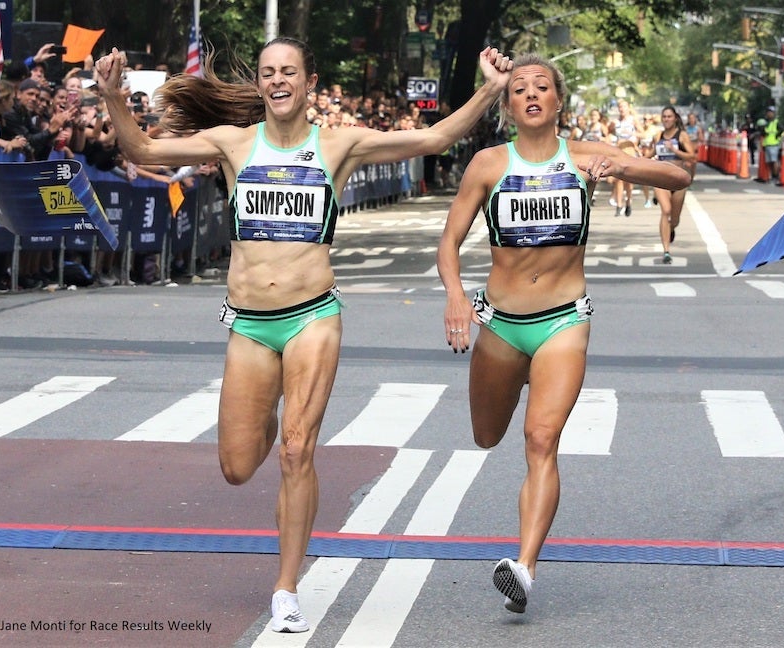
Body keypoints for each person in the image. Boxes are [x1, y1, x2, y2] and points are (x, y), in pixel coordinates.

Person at [94, 37, 513, 633]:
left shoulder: (338, 145)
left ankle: (286, 587)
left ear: (309, 81)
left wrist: (490, 89)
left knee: (297, 450)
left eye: (290, 70)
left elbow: (434, 139)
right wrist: (113, 96)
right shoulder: (233, 144)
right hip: (250, 324)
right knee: (238, 465)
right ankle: (265, 412)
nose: (278, 80)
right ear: (261, 84)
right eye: (269, 72)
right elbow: (142, 146)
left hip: (313, 316)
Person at [436, 53, 690, 615]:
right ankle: (523, 558)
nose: (530, 93)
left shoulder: (588, 157)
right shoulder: (487, 164)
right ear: (507, 105)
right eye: (520, 87)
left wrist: (621, 169)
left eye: (542, 86)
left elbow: (679, 176)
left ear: (558, 102)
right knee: (485, 436)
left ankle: (524, 567)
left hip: (562, 322)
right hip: (501, 325)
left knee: (541, 440)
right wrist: (456, 296)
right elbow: (448, 243)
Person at [645, 105, 695, 263]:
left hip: (678, 181)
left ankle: (671, 229)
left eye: (669, 116)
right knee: (665, 211)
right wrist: (641, 158)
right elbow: (651, 154)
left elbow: (692, 157)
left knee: (675, 219)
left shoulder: (682, 136)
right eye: (664, 116)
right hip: (661, 180)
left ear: (675, 118)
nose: (666, 119)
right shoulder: (658, 136)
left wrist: (675, 149)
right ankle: (666, 251)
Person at [761, 106, 782, 184]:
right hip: (767, 144)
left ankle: (775, 177)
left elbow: (782, 130)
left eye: (770, 112)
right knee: (769, 162)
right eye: (768, 112)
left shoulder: (776, 122)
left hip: (774, 144)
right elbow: (764, 133)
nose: (769, 114)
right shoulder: (766, 123)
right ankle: (772, 176)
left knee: (774, 161)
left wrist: (777, 136)